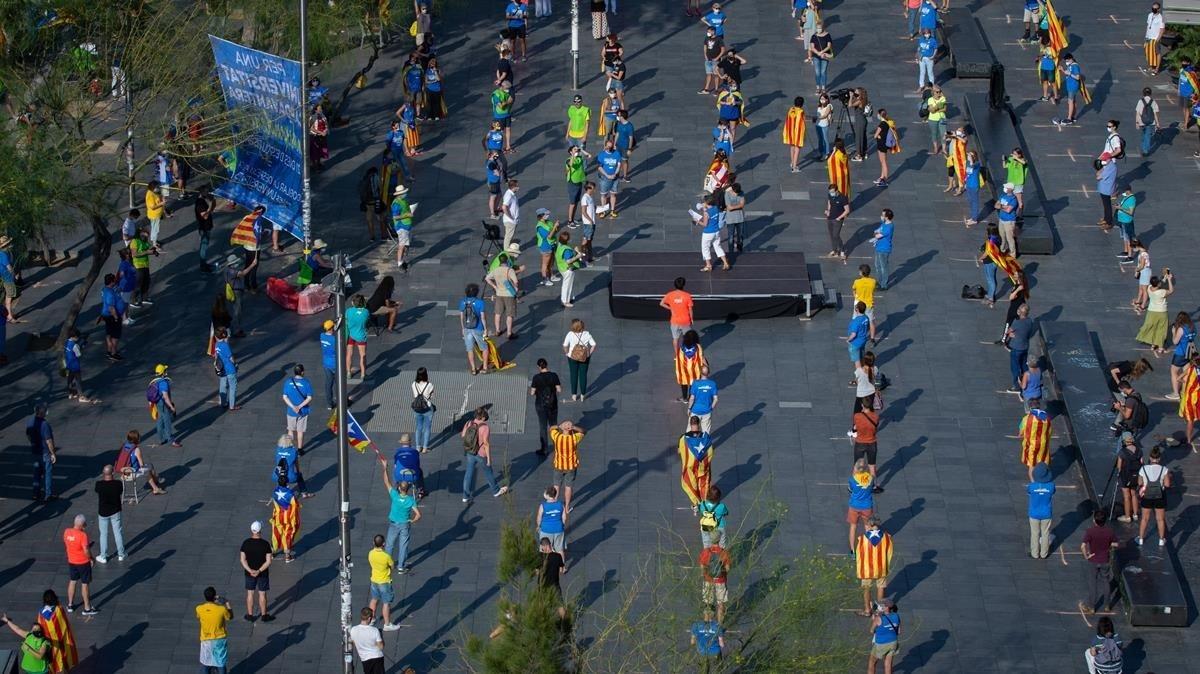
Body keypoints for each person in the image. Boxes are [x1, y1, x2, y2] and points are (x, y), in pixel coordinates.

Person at [461, 407, 509, 503]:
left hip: (470, 452)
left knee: (468, 474)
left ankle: (465, 496)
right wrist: (489, 459)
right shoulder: (485, 427)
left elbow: (463, 435)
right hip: (481, 454)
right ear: (483, 417)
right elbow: (486, 443)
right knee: (488, 472)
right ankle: (496, 491)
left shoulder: (469, 423)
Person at [380, 461, 420, 572]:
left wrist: (385, 468)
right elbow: (418, 514)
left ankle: (387, 564)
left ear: (399, 488)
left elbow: (386, 482)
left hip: (393, 523)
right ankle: (401, 566)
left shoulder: (395, 496)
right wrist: (412, 520)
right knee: (403, 545)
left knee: (389, 544)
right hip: (404, 524)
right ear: (407, 489)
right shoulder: (410, 500)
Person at [1079, 510, 1118, 615]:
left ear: (1094, 520)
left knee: (1093, 583)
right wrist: (1109, 546)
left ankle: (1091, 607)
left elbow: (1082, 546)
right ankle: (1107, 605)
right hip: (1105, 559)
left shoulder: (1090, 531)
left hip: (1093, 560)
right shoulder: (1110, 531)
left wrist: (1086, 556)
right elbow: (1116, 544)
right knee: (1106, 581)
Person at [855, 516, 893, 616]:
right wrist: (886, 566)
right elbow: (889, 553)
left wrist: (860, 569)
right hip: (881, 568)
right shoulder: (887, 537)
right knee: (881, 587)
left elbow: (859, 555)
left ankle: (867, 610)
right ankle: (878, 611)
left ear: (869, 525)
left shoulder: (862, 538)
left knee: (866, 588)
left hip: (867, 569)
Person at [62, 515, 97, 616]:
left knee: (73, 581)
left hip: (72, 561)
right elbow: (86, 550)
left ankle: (70, 605)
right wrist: (91, 558)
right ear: (82, 525)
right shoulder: (83, 535)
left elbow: (67, 543)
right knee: (85, 584)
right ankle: (87, 608)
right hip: (82, 562)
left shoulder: (66, 531)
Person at [239, 521, 274, 622]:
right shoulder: (265, 544)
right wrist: (259, 571)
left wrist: (250, 570)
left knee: (250, 593)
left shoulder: (246, 543)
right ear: (260, 530)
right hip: (262, 573)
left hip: (249, 573)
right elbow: (268, 561)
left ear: (251, 530)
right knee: (262, 594)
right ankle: (264, 615)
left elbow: (242, 559)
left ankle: (250, 615)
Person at [1137, 445, 1171, 547]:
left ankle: (1141, 539)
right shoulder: (1164, 469)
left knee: (1144, 519)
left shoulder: (1143, 469)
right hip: (1159, 496)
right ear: (1159, 458)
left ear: (1150, 458)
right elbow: (1167, 485)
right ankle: (1161, 540)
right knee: (1160, 519)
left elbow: (1139, 483)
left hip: (1147, 496)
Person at [35, 590, 76, 673]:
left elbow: (40, 627)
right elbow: (65, 624)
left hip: (51, 643)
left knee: (54, 662)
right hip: (63, 641)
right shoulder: (59, 609)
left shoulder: (41, 613)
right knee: (65, 659)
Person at [116, 430, 168, 495]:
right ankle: (157, 479)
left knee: (147, 470)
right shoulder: (136, 449)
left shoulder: (124, 446)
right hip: (132, 472)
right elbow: (141, 464)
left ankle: (156, 487)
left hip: (123, 472)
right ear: (136, 439)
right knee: (149, 466)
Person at [679, 415, 715, 509]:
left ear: (690, 424)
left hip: (690, 465)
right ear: (699, 424)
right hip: (703, 466)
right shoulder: (706, 438)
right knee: (704, 484)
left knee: (689, 483)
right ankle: (705, 503)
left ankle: (697, 502)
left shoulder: (683, 438)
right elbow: (710, 451)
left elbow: (680, 451)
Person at [549, 420, 585, 512]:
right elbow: (583, 431)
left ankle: (554, 504)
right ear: (570, 429)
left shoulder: (557, 437)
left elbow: (551, 429)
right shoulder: (574, 438)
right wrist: (574, 427)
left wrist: (558, 426)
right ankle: (567, 507)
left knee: (556, 485)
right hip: (571, 467)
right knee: (568, 487)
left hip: (558, 466)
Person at [367, 534, 401, 631]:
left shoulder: (370, 553)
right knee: (386, 603)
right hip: (384, 582)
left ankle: (371, 619)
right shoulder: (386, 556)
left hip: (374, 580)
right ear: (384, 544)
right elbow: (392, 566)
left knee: (374, 600)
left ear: (373, 543)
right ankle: (387, 624)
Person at [1135, 272, 1174, 355]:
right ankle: (1160, 348)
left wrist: (1164, 278)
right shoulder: (1162, 292)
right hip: (1161, 312)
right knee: (1161, 329)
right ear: (1158, 284)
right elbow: (1171, 290)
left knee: (1153, 327)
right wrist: (1169, 280)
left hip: (1151, 311)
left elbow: (1158, 284)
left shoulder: (1149, 288)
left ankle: (1153, 345)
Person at [195, 587, 232, 674]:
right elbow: (230, 616)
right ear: (215, 597)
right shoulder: (221, 610)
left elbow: (198, 616)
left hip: (206, 639)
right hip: (219, 639)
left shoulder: (199, 608)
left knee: (205, 663)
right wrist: (227, 603)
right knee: (220, 663)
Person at [486, 248, 521, 339]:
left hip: (499, 293)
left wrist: (494, 286)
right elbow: (516, 281)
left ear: (500, 261)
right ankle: (509, 333)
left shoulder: (496, 270)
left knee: (498, 313)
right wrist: (516, 288)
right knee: (510, 314)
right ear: (507, 260)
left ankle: (498, 330)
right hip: (509, 294)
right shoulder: (510, 270)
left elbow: (487, 278)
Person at [94, 465, 126, 563]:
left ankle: (103, 556)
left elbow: (97, 490)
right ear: (112, 473)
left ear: (103, 473)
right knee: (117, 533)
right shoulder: (118, 484)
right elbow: (121, 491)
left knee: (103, 534)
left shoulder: (99, 484)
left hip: (103, 512)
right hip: (115, 511)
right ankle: (121, 554)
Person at [530, 359, 562, 457]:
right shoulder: (554, 375)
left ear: (539, 367)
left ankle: (544, 449)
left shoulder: (536, 378)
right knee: (553, 425)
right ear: (547, 365)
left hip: (541, 405)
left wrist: (537, 392)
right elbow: (559, 390)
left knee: (543, 427)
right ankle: (558, 445)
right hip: (553, 404)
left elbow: (532, 393)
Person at [268, 473, 301, 564]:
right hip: (288, 519)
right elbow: (294, 506)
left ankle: (271, 553)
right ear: (287, 483)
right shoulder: (290, 494)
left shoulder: (275, 491)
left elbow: (275, 503)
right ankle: (287, 556)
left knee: (276, 534)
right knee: (288, 535)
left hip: (278, 517)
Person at [1025, 461, 1055, 559]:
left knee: (1034, 534)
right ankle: (1044, 554)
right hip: (1046, 513)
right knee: (1045, 533)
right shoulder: (1051, 486)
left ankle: (1035, 553)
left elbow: (1029, 492)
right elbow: (1053, 492)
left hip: (1034, 513)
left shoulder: (1032, 486)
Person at [27, 404, 57, 501]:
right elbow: (49, 441)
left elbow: (28, 435)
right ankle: (48, 494)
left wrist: (33, 443)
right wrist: (53, 453)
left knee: (37, 473)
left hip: (35, 451)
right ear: (43, 413)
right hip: (44, 452)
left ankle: (35, 493)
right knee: (47, 473)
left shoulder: (30, 421)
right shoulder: (45, 424)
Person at [694, 195, 730, 272]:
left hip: (708, 233)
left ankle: (708, 266)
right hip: (716, 231)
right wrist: (703, 208)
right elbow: (710, 211)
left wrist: (698, 221)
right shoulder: (716, 208)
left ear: (706, 202)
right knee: (718, 247)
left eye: (704, 201)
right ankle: (725, 263)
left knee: (705, 248)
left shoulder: (706, 213)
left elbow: (705, 224)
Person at [847, 458, 876, 555]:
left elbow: (850, 490)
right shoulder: (871, 478)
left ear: (856, 468)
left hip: (854, 506)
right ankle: (869, 549)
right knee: (868, 526)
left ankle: (852, 551)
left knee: (853, 527)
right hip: (867, 506)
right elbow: (872, 488)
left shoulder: (852, 480)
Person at [563, 318, 596, 401]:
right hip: (584, 357)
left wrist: (567, 353)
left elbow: (565, 345)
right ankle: (582, 395)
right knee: (583, 375)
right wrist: (589, 354)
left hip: (572, 357)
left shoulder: (570, 334)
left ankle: (574, 395)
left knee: (573, 374)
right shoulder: (587, 334)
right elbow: (594, 345)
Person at [283, 364, 314, 452]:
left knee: (290, 430)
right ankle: (300, 449)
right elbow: (309, 397)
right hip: (303, 411)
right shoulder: (306, 383)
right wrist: (299, 406)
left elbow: (285, 397)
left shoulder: (288, 382)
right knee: (300, 431)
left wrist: (293, 407)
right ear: (302, 372)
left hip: (291, 411)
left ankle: (290, 447)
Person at [459, 283, 489, 375]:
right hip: (478, 328)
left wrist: (463, 328)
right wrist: (485, 329)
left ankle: (473, 369)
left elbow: (461, 317)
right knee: (484, 348)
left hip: (467, 328)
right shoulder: (480, 302)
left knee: (470, 349)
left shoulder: (463, 302)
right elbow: (483, 317)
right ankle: (484, 367)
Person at [149, 364, 181, 447]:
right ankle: (171, 440)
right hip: (163, 404)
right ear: (163, 372)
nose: (167, 372)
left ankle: (161, 439)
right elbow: (166, 397)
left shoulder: (154, 381)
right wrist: (171, 406)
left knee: (160, 420)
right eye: (165, 370)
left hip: (157, 403)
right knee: (167, 421)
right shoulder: (163, 383)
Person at [698, 542, 731, 622]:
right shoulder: (724, 552)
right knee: (721, 604)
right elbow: (728, 568)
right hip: (720, 580)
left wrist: (705, 573)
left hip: (708, 580)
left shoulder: (706, 552)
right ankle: (719, 625)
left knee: (708, 603)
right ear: (719, 540)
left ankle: (707, 623)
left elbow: (702, 567)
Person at [867, 598, 901, 674]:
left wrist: (875, 618)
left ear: (886, 607)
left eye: (882, 605)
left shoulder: (878, 618)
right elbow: (899, 631)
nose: (880, 606)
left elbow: (871, 631)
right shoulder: (896, 616)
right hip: (893, 642)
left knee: (872, 663)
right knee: (888, 664)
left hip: (881, 644)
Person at [1167, 312, 1196, 400]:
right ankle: (1185, 391)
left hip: (1180, 353)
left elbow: (1175, 342)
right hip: (1190, 352)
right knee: (1185, 372)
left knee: (1174, 372)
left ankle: (1176, 393)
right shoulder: (1192, 327)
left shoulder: (1181, 329)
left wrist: (1173, 332)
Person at [660, 277, 695, 348]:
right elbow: (690, 309)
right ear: (683, 285)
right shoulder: (687, 296)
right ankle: (685, 354)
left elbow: (661, 303)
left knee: (675, 339)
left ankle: (677, 355)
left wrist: (671, 308)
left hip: (674, 321)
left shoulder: (670, 294)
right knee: (687, 339)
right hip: (685, 321)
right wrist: (691, 319)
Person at [274, 433, 311, 498]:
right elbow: (296, 464)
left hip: (276, 476)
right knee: (299, 476)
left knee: (281, 476)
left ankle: (281, 491)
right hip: (290, 477)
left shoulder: (278, 450)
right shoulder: (293, 451)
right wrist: (298, 472)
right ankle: (304, 493)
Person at [351, 607, 387, 673]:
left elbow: (353, 643)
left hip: (365, 659)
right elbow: (381, 647)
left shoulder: (353, 630)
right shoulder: (374, 630)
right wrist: (381, 635)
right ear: (369, 618)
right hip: (377, 657)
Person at [674, 329, 706, 402]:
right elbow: (701, 357)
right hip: (694, 370)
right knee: (693, 383)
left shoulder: (682, 348)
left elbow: (679, 359)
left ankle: (684, 398)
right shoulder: (698, 347)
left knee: (684, 383)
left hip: (684, 370)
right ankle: (691, 398)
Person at [537, 485, 568, 560]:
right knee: (560, 549)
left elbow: (539, 518)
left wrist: (539, 526)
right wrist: (562, 525)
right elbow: (564, 517)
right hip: (558, 529)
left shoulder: (543, 506)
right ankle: (562, 567)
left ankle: (545, 565)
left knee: (544, 549)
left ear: (547, 495)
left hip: (546, 530)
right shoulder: (561, 504)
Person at [555, 230, 583, 307]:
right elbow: (568, 261)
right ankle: (565, 301)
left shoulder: (560, 245)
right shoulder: (566, 250)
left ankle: (569, 298)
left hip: (561, 267)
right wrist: (577, 256)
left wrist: (575, 250)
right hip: (568, 269)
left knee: (567, 284)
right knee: (567, 285)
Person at [213, 328, 238, 411]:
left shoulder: (216, 344)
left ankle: (223, 402)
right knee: (232, 387)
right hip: (230, 369)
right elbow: (231, 358)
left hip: (222, 369)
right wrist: (236, 364)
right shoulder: (225, 345)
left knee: (223, 386)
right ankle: (232, 405)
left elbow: (216, 356)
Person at [872, 108, 899, 187]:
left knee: (883, 162)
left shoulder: (882, 124)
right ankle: (881, 177)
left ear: (880, 115)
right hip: (883, 144)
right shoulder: (887, 123)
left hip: (881, 145)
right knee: (882, 161)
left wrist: (878, 135)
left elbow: (875, 135)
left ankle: (885, 179)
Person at [538, 537, 567, 608]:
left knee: (541, 604)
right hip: (554, 584)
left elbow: (536, 571)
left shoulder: (539, 557)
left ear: (544, 547)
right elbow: (561, 569)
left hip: (542, 584)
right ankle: (564, 618)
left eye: (542, 548)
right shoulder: (558, 556)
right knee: (560, 605)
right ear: (550, 545)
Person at [688, 367, 719, 433]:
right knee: (706, 432)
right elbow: (716, 399)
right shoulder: (712, 384)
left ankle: (690, 442)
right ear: (708, 373)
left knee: (691, 430)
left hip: (695, 410)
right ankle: (704, 443)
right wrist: (710, 408)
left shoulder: (695, 383)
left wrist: (689, 408)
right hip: (706, 411)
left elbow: (692, 398)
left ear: (700, 373)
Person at [62, 328, 90, 403]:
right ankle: (81, 396)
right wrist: (82, 347)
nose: (77, 339)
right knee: (78, 381)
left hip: (69, 364)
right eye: (77, 337)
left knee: (70, 378)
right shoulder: (75, 345)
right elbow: (78, 355)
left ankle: (71, 393)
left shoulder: (66, 342)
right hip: (75, 365)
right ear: (74, 337)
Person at [345, 294, 370, 379]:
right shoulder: (366, 312)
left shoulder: (348, 311)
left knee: (349, 354)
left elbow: (346, 321)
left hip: (350, 335)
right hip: (361, 336)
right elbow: (367, 321)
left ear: (353, 303)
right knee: (362, 355)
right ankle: (363, 374)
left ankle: (348, 372)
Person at [596, 139, 621, 219]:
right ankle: (603, 211)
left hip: (615, 178)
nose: (609, 148)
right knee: (604, 195)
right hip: (604, 178)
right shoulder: (601, 155)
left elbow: (618, 165)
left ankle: (612, 211)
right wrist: (607, 175)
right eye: (608, 146)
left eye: (611, 146)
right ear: (605, 146)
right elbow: (599, 167)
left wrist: (615, 173)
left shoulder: (617, 154)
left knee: (613, 194)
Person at [1056, 52, 1084, 125]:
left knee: (1070, 102)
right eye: (1065, 61)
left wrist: (1070, 74)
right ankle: (1073, 116)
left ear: (1071, 59)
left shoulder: (1075, 66)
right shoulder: (1071, 65)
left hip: (1073, 86)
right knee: (1073, 101)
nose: (1066, 62)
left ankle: (1069, 118)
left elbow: (1077, 77)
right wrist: (1062, 70)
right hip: (1070, 85)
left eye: (1067, 60)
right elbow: (1067, 73)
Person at [391, 184, 414, 270]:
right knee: (401, 245)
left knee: (405, 244)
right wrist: (406, 215)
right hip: (401, 227)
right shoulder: (396, 204)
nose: (405, 193)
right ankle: (400, 263)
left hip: (406, 226)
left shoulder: (402, 200)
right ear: (399, 194)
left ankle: (403, 259)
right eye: (404, 192)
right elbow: (395, 217)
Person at [826, 184, 850, 262]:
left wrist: (839, 218)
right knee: (831, 235)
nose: (831, 193)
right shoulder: (830, 195)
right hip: (830, 218)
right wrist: (828, 211)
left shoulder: (843, 198)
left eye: (832, 192)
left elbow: (847, 210)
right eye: (830, 192)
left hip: (838, 220)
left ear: (836, 191)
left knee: (836, 235)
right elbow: (829, 202)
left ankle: (842, 251)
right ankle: (834, 250)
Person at [871, 210, 894, 289]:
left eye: (883, 215)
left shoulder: (889, 227)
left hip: (884, 249)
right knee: (877, 265)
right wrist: (876, 232)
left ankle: (883, 285)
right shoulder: (884, 224)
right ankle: (879, 280)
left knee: (883, 267)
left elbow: (877, 235)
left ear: (886, 217)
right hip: (878, 247)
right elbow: (876, 231)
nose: (881, 216)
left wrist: (876, 233)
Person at [782, 96, 807, 173]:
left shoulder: (791, 110)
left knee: (792, 147)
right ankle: (794, 167)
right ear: (802, 104)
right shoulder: (801, 111)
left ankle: (792, 162)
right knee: (797, 148)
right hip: (798, 133)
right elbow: (804, 120)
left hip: (791, 132)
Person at [1135, 87, 1161, 157]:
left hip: (1141, 121)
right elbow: (1155, 113)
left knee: (1144, 134)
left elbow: (1137, 113)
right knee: (1147, 135)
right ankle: (1145, 150)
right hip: (1150, 121)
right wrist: (1157, 123)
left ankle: (1144, 147)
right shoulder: (1153, 101)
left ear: (1143, 93)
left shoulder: (1140, 101)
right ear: (1150, 93)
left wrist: (1137, 123)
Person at [809, 23, 833, 95]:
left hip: (825, 55)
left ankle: (823, 88)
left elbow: (829, 46)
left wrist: (822, 52)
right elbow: (812, 47)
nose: (818, 30)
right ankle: (818, 88)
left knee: (823, 72)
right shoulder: (814, 36)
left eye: (819, 28)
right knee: (817, 72)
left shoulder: (827, 35)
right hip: (816, 56)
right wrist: (818, 53)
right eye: (817, 28)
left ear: (823, 28)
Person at [962, 151, 984, 226]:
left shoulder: (977, 163)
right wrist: (965, 182)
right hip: (969, 184)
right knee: (970, 201)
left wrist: (971, 159)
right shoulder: (968, 163)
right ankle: (972, 216)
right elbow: (967, 173)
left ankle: (974, 219)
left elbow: (973, 166)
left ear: (973, 157)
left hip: (974, 185)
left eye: (969, 155)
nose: (967, 156)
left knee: (975, 202)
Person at [501, 179, 521, 250]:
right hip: (510, 221)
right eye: (517, 186)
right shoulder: (509, 195)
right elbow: (504, 207)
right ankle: (506, 251)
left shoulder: (511, 194)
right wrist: (511, 217)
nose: (518, 187)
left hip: (512, 220)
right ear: (513, 187)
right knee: (508, 236)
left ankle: (507, 248)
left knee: (509, 236)